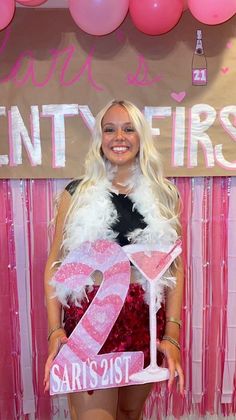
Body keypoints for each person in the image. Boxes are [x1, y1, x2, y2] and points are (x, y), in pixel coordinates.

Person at [44, 99, 184, 420]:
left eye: (128, 129)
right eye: (110, 129)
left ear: (141, 137)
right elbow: (56, 264)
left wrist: (171, 335)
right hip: (93, 323)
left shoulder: (165, 195)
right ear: (100, 139)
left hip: (143, 323)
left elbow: (174, 269)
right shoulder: (76, 194)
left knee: (129, 413)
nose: (118, 137)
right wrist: (55, 330)